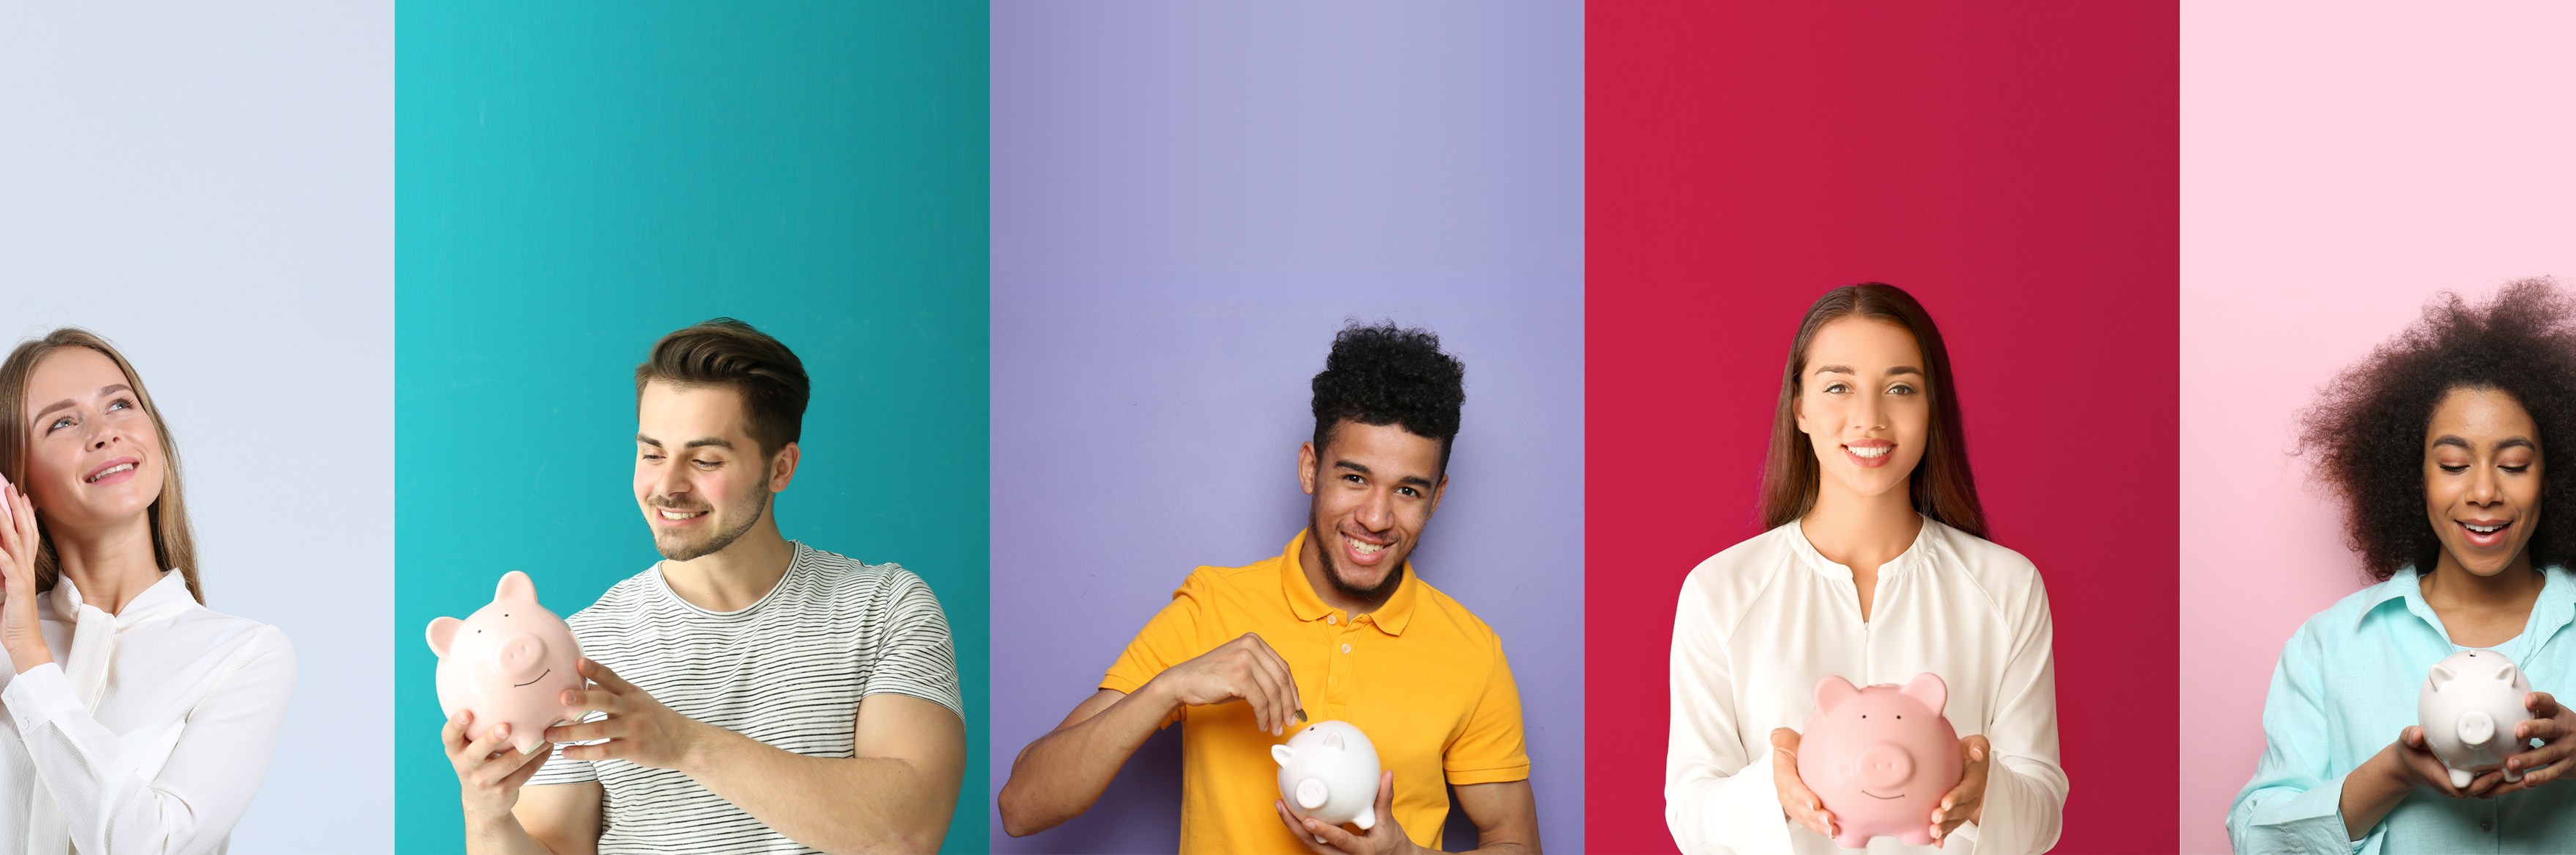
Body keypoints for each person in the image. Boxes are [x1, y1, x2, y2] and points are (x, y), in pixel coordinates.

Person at [994, 321, 1538, 854]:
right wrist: (1170, 686)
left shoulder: (1472, 652)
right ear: (1309, 468)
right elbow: (1021, 807)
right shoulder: (1212, 608)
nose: (1376, 517)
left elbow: (1517, 842)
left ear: (1436, 497)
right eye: (1354, 477)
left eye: (1407, 491)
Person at [2227, 278, 2576, 853]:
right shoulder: (2330, 647)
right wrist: (2393, 772)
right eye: (2452, 463)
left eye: (2513, 464)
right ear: (2413, 474)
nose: (2484, 491)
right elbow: (2256, 840)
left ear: (2554, 475)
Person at [442, 318, 967, 855]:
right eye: (651, 453)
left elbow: (908, 830)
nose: (666, 485)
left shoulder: (885, 607)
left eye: (705, 459)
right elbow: (555, 846)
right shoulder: (579, 649)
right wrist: (486, 815)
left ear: (780, 467)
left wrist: (686, 744)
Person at [0, 328, 298, 854]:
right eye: (63, 422)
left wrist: (31, 656)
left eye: (119, 404)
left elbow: (152, 844)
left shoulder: (242, 655)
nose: (105, 432)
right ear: (14, 481)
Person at [1665, 283, 2064, 854]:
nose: (1869, 418)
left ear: (1932, 408)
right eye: (1838, 387)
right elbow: (1689, 811)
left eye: (1900, 388)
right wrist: (1772, 789)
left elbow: (2042, 809)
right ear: (1799, 407)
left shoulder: (2007, 586)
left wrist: (1984, 792)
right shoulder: (1719, 591)